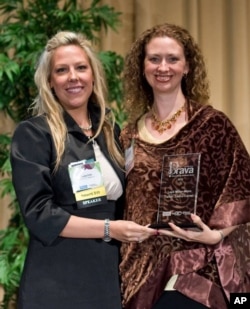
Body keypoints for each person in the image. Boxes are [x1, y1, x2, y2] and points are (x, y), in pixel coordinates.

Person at [10, 31, 156, 309]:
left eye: (80, 67)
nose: (73, 77)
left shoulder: (111, 131)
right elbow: (39, 214)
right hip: (57, 280)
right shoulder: (33, 134)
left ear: (93, 76)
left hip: (109, 276)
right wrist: (108, 228)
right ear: (50, 82)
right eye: (61, 70)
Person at [119, 23, 250, 309]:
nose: (162, 67)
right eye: (154, 59)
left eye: (172, 59)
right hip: (139, 265)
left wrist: (216, 235)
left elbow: (240, 186)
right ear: (142, 67)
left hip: (199, 261)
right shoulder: (128, 134)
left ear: (188, 66)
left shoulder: (212, 124)